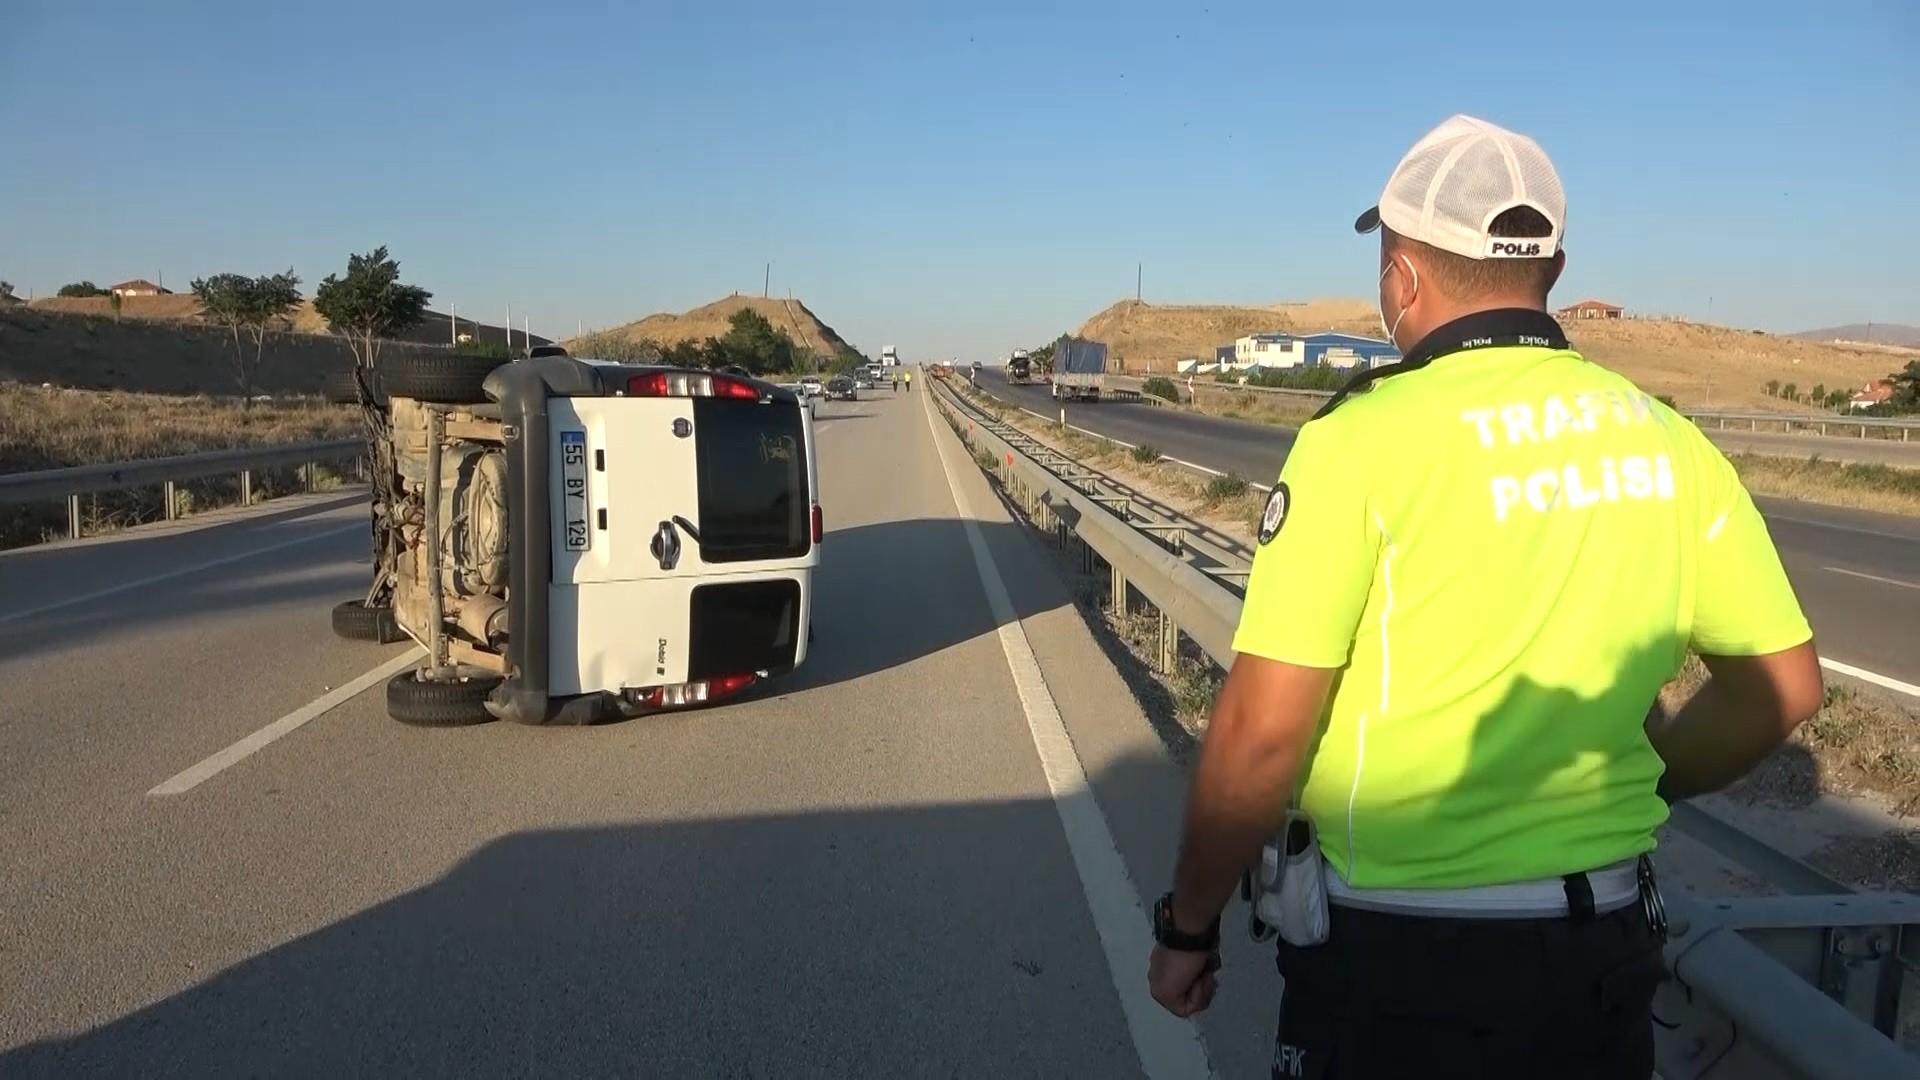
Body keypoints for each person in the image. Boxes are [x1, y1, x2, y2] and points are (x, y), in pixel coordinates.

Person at [1146, 115, 1822, 1078]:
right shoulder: (1668, 442)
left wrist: (1189, 921)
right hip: (1602, 956)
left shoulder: (1359, 442)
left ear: (1404, 273)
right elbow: (1783, 689)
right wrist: (1651, 778)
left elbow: (1261, 737)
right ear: (1551, 267)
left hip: (1394, 966)